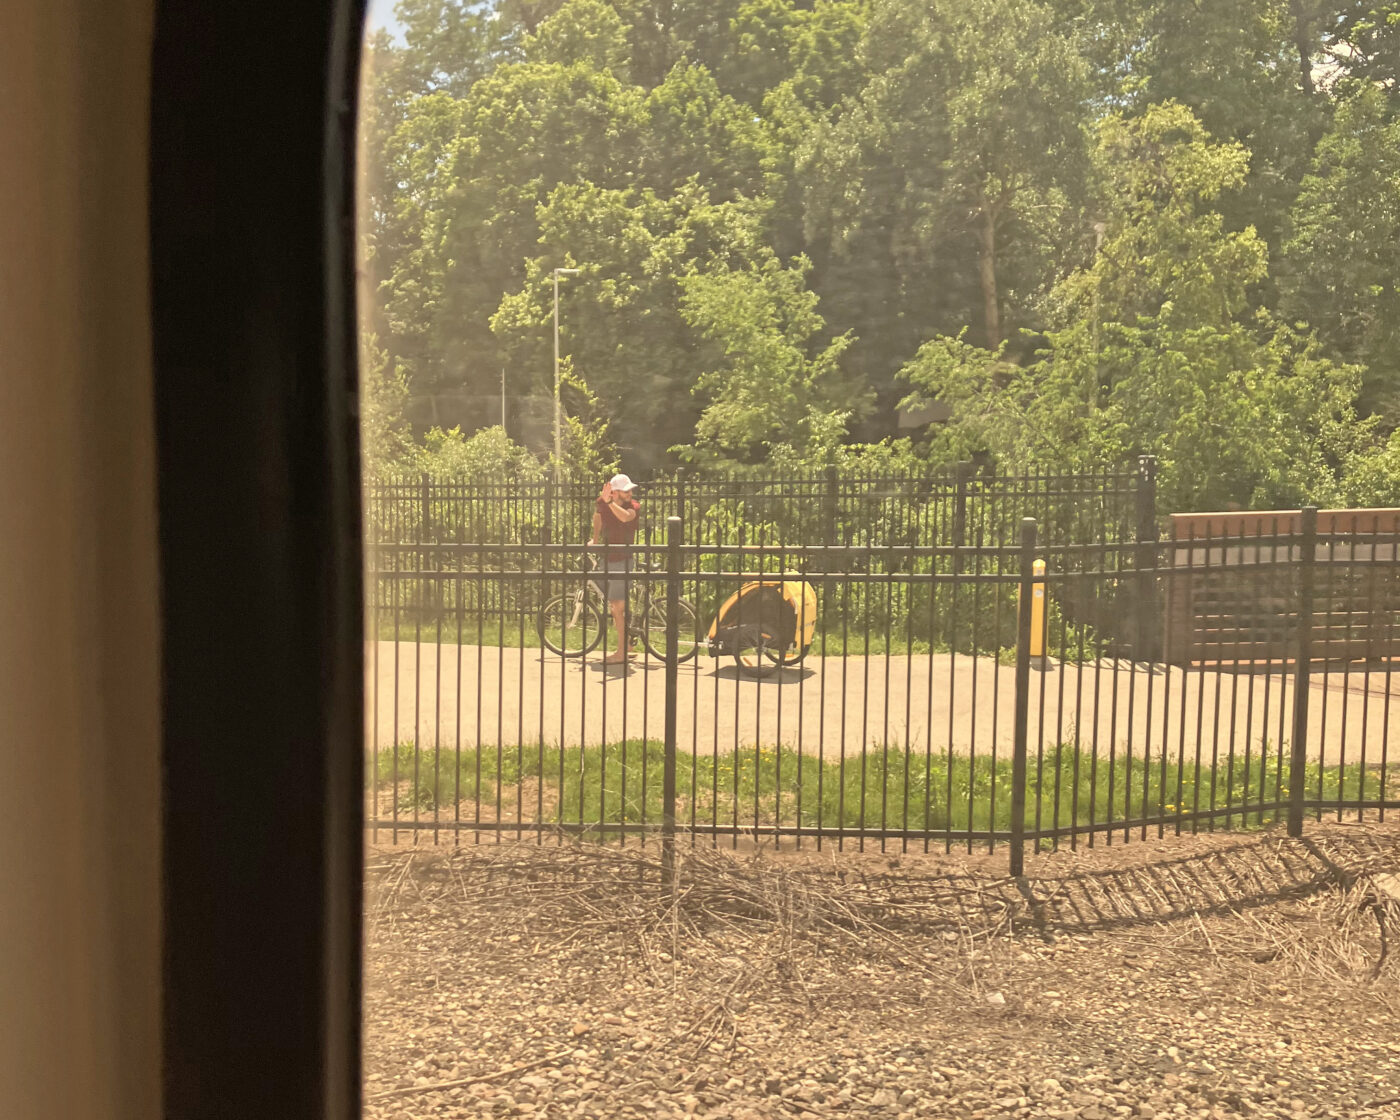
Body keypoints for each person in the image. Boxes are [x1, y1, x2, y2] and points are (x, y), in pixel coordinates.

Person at [589, 473, 641, 663]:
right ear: (615, 491)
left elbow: (626, 518)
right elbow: (598, 517)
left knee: (617, 607)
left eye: (630, 490)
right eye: (626, 490)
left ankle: (621, 653)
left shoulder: (633, 506)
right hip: (607, 558)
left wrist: (610, 503)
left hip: (623, 560)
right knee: (612, 600)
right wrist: (595, 540)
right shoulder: (603, 502)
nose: (630, 493)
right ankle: (627, 643)